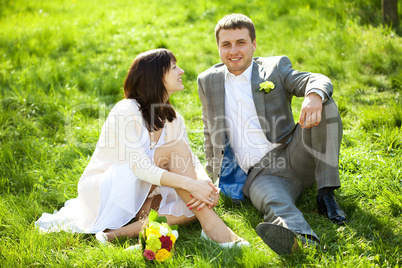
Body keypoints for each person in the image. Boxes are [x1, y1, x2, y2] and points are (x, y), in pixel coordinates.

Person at [35, 48, 249, 248]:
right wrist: (191, 185)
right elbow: (141, 168)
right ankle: (214, 228)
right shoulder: (127, 110)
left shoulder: (173, 118)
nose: (181, 71)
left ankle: (112, 235)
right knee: (181, 164)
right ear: (156, 76)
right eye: (174, 67)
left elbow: (190, 159)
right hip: (107, 186)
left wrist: (205, 184)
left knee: (192, 208)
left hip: (145, 186)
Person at [197, 14, 348, 255]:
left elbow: (316, 79)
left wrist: (313, 95)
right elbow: (209, 130)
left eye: (241, 42)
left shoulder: (275, 68)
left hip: (295, 152)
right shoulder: (207, 80)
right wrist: (213, 176)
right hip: (260, 174)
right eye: (226, 44)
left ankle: (326, 193)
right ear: (218, 47)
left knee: (326, 105)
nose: (233, 50)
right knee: (274, 203)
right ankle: (300, 239)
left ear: (254, 44)